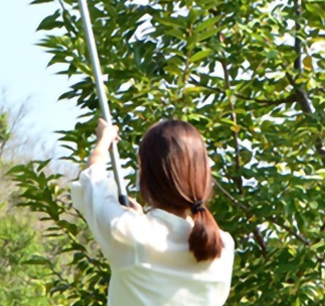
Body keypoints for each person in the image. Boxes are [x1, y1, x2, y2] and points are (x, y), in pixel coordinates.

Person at [70, 118, 234, 306]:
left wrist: (103, 141)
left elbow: (92, 182)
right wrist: (139, 218)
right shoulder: (224, 246)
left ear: (147, 176)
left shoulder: (130, 233)